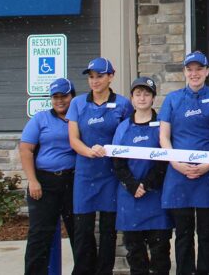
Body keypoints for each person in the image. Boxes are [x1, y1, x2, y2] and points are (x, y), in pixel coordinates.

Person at [159, 51, 209, 275]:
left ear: (207, 71)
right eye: (190, 69)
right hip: (178, 174)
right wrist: (176, 163)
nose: (194, 73)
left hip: (208, 174)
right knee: (183, 233)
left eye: (199, 69)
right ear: (184, 72)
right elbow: (164, 137)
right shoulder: (172, 99)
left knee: (207, 232)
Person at [68, 57, 132, 275]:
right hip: (85, 173)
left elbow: (128, 136)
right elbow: (73, 139)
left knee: (108, 230)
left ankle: (104, 271)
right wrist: (89, 151)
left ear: (111, 76)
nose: (95, 81)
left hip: (111, 174)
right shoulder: (77, 103)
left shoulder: (123, 104)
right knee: (83, 228)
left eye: (100, 76)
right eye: (91, 77)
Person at [112, 76, 172, 275]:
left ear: (153, 98)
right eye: (138, 94)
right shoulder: (123, 128)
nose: (142, 98)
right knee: (135, 253)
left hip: (156, 198)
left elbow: (164, 159)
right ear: (131, 98)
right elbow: (117, 161)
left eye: (147, 94)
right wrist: (131, 184)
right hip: (130, 199)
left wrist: (147, 184)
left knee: (160, 253)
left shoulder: (162, 126)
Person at [20, 77, 78, 275]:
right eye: (55, 97)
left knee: (78, 233)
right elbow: (26, 149)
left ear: (73, 96)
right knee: (40, 235)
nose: (60, 100)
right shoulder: (41, 119)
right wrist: (32, 180)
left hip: (72, 182)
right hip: (44, 183)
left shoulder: (77, 119)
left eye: (64, 96)